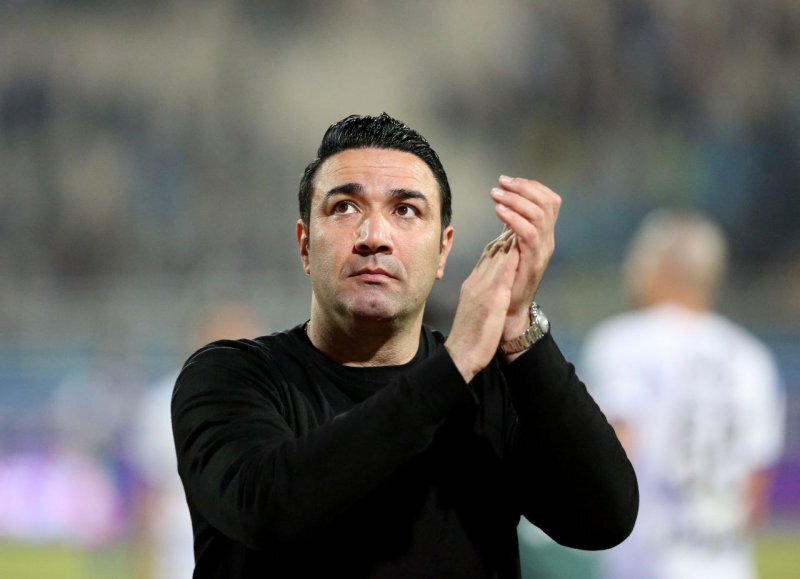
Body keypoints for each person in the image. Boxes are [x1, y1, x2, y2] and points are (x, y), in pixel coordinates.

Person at [171, 113, 638, 578]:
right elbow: (267, 509)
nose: (374, 237)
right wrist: (454, 366)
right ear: (305, 245)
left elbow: (603, 520)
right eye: (345, 208)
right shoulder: (229, 376)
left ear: (443, 251)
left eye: (406, 211)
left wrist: (519, 327)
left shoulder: (491, 387)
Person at [582, 209, 785, 579]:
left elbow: (612, 459)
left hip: (646, 567)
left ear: (657, 269)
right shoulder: (752, 359)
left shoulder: (623, 343)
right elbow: (755, 494)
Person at [129, 302, 263, 579]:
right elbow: (146, 491)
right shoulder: (163, 402)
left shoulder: (272, 399)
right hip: (181, 547)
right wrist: (143, 563)